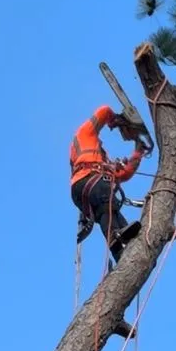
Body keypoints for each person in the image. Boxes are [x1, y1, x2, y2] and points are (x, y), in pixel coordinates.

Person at [70, 104, 147, 339]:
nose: (103, 148)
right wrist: (119, 122)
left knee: (121, 228)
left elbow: (123, 174)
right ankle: (117, 237)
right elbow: (103, 111)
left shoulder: (103, 162)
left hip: (93, 189)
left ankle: (118, 301)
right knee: (108, 203)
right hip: (87, 183)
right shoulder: (85, 135)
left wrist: (139, 151)